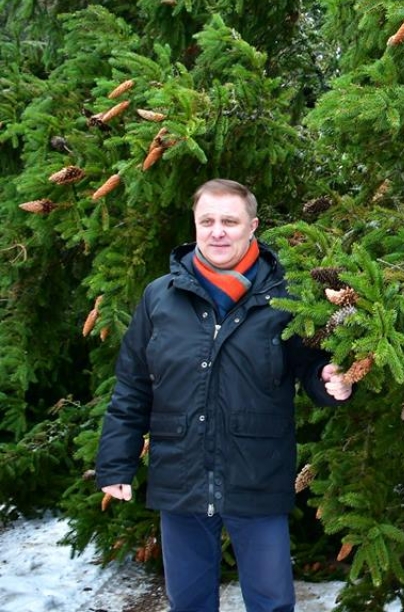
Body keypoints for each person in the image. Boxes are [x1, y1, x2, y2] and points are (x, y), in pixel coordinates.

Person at [95, 179, 354, 612]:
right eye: (207, 221)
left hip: (258, 473)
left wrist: (330, 380)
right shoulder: (160, 297)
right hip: (181, 475)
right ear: (195, 226)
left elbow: (310, 367)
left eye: (229, 221)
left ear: (252, 226)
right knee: (189, 602)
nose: (218, 231)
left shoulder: (285, 296)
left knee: (272, 602)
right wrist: (116, 462)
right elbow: (133, 385)